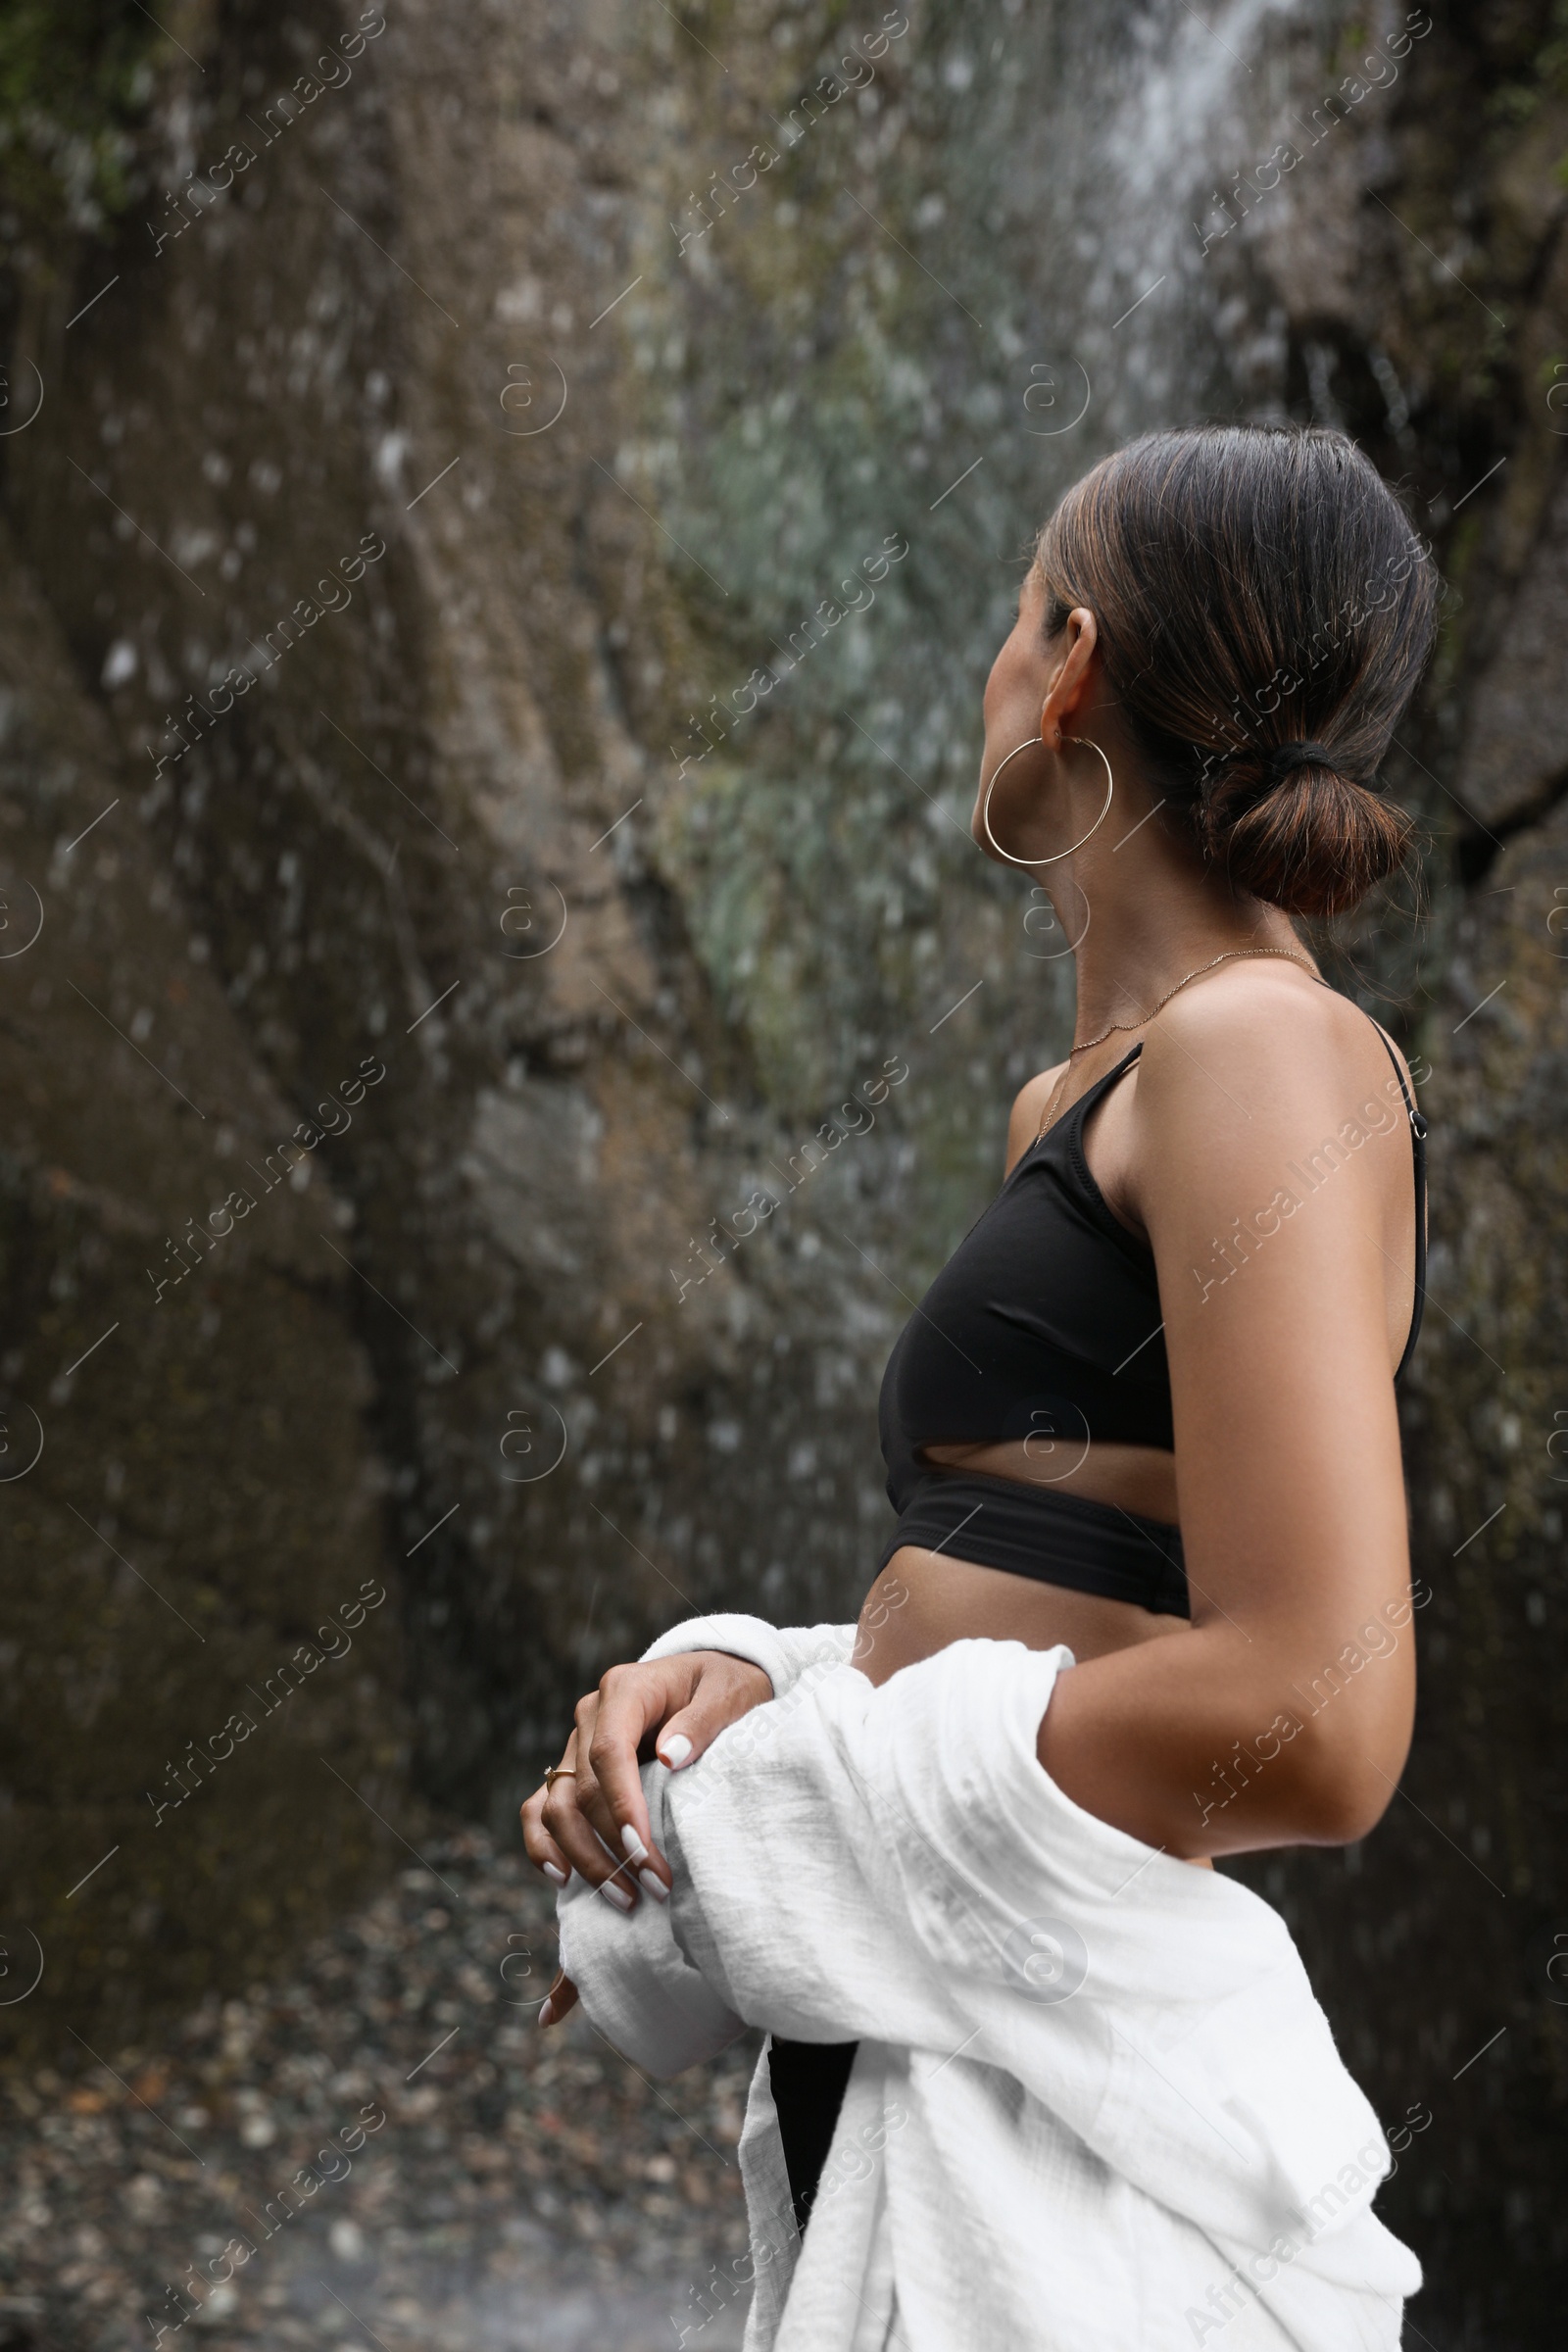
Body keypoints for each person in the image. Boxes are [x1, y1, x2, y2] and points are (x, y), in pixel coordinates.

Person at [520, 422, 1436, 2346]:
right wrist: (761, 1684)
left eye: (1010, 618)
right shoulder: (1092, 1093)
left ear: (1072, 659)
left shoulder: (1260, 1048)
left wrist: (793, 1805)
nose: (986, 671)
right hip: (949, 2054)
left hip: (1082, 2136)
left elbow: (1317, 1711)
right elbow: (1050, 1585)